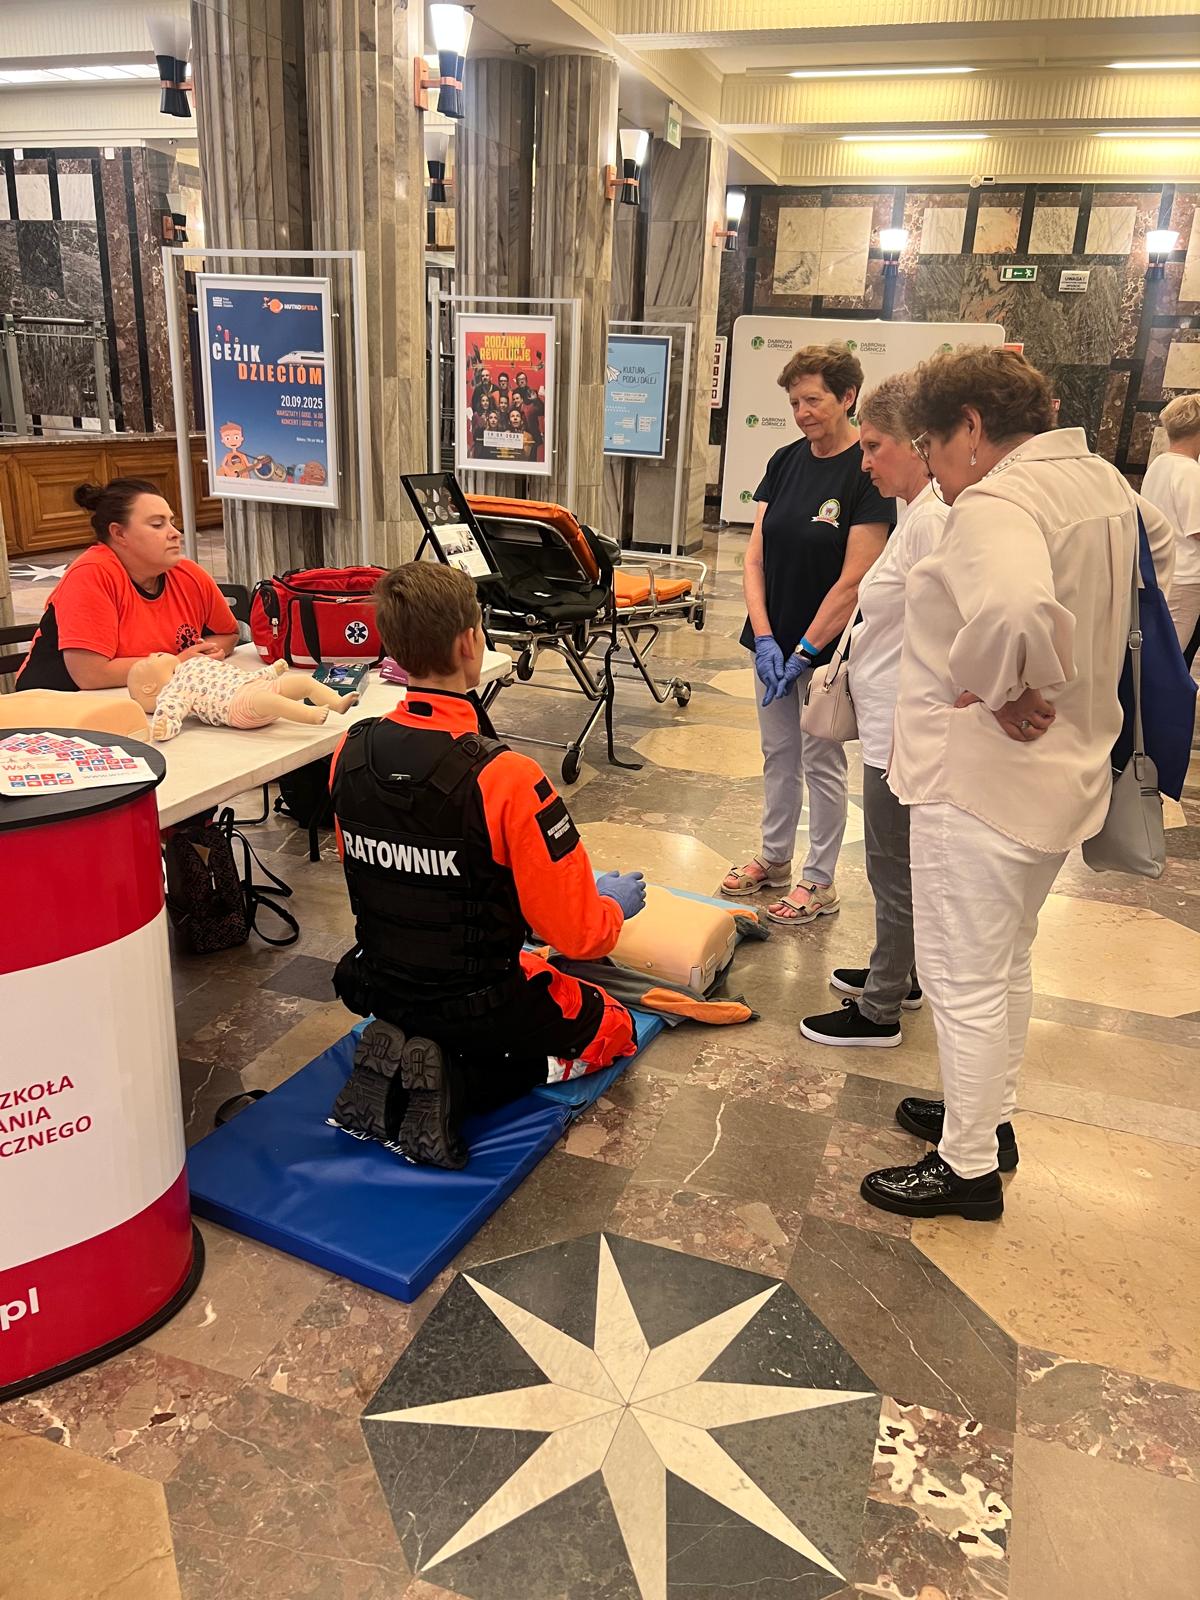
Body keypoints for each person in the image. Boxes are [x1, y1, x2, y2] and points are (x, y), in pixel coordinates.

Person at [861, 347, 1175, 1222]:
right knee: (1005, 959)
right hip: (1064, 771)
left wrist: (1002, 687)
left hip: (980, 781)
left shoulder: (998, 500)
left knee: (961, 974)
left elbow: (1011, 609)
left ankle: (964, 1169)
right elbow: (1162, 558)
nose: (932, 470)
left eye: (931, 446)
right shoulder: (1102, 479)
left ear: (970, 426)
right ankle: (986, 1118)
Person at [328, 561, 647, 1169]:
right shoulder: (507, 777)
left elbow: (375, 871)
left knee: (512, 969)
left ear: (391, 646)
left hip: (383, 985)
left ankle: (406, 1062)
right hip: (479, 1002)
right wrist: (610, 905)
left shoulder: (351, 748)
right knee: (615, 1027)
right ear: (469, 642)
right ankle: (459, 1081)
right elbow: (579, 936)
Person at [799, 372, 950, 1049]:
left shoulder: (933, 520)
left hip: (904, 726)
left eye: (874, 446)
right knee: (893, 863)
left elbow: (955, 626)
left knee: (892, 866)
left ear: (918, 444)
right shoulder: (916, 513)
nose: (864, 463)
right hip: (892, 715)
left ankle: (881, 1008)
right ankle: (899, 971)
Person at [722, 343, 894, 924]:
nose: (802, 413)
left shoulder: (865, 471)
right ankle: (774, 859)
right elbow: (754, 558)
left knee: (821, 761)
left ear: (847, 397)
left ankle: (819, 880)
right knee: (777, 753)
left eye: (813, 400)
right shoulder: (784, 460)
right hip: (772, 640)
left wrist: (804, 651)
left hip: (827, 648)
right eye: (795, 402)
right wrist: (765, 638)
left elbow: (854, 580)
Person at [15, 479, 238, 692]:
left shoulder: (188, 574)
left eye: (172, 522)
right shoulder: (91, 574)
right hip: (60, 702)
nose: (175, 533)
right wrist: (177, 663)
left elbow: (228, 634)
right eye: (157, 525)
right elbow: (90, 674)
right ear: (119, 533)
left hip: (150, 693)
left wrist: (205, 653)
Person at [1141, 392, 1200, 661]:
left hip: (1160, 569)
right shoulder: (1190, 471)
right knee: (1171, 657)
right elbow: (1196, 529)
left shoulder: (1160, 463)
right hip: (1185, 577)